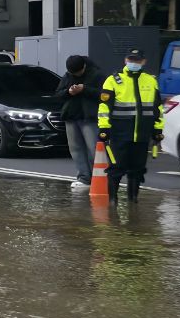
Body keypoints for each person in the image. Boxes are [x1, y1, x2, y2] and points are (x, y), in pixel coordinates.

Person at [98, 46, 164, 202]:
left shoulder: (150, 80)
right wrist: (104, 127)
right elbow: (104, 107)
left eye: (137, 60)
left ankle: (133, 202)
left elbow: (157, 108)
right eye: (131, 60)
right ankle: (112, 203)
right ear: (125, 60)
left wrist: (157, 129)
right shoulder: (113, 80)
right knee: (116, 169)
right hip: (119, 133)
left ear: (143, 61)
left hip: (142, 134)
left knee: (137, 169)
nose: (133, 63)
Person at [59, 54, 98, 190]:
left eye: (78, 72)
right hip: (71, 116)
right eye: (72, 73)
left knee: (93, 149)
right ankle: (84, 178)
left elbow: (104, 94)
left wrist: (85, 89)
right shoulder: (68, 76)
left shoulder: (96, 74)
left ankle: (98, 177)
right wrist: (69, 92)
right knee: (75, 148)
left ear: (84, 66)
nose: (75, 74)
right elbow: (58, 94)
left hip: (90, 117)